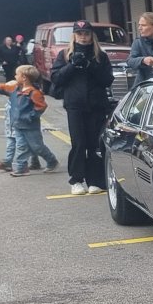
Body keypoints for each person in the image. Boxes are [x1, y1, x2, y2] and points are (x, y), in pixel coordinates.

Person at [50, 21, 114, 195]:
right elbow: (56, 78)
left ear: (91, 35)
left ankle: (95, 180)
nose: (83, 37)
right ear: (74, 35)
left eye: (86, 33)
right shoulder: (65, 54)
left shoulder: (100, 56)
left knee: (94, 144)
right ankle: (76, 180)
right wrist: (72, 65)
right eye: (79, 33)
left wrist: (91, 66)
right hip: (75, 105)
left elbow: (107, 80)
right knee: (78, 143)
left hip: (96, 105)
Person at [0, 66, 59, 177]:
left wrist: (30, 117)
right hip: (18, 125)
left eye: (17, 75)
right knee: (21, 146)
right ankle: (21, 168)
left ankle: (52, 161)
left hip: (30, 126)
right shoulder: (15, 89)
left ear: (24, 78)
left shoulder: (34, 93)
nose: (15, 76)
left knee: (37, 147)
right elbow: (0, 87)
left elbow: (41, 106)